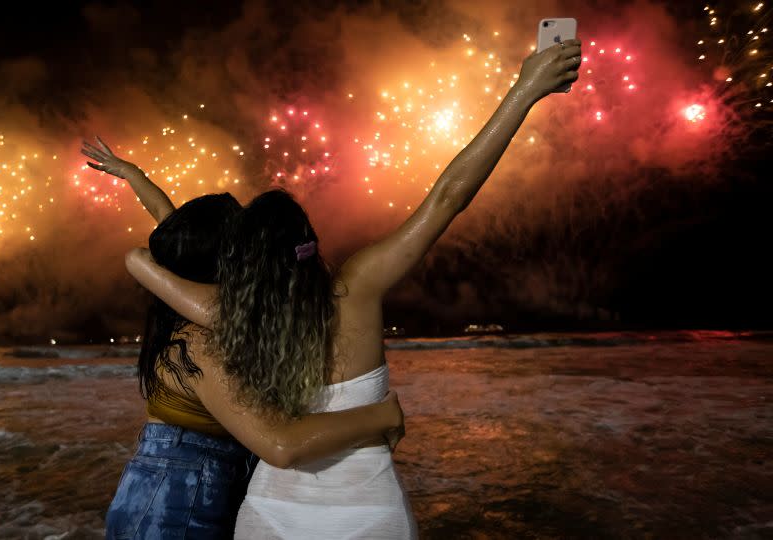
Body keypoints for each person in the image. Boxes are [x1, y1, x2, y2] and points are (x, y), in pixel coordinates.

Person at [123, 39, 582, 539]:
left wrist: (137, 189)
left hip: (269, 515)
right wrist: (525, 91)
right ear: (311, 242)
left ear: (243, 267)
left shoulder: (232, 313)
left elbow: (153, 261)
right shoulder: (357, 287)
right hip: (367, 516)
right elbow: (449, 197)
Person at [81, 138, 406, 539]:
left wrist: (134, 176)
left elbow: (169, 232)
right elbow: (281, 445)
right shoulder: (200, 340)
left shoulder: (204, 304)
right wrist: (382, 416)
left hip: (199, 482)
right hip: (176, 497)